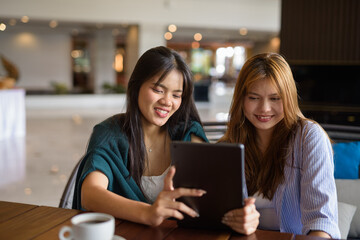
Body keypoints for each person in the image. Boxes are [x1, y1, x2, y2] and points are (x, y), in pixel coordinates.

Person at [73, 46, 208, 227]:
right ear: (136, 86)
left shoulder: (188, 134)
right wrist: (147, 213)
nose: (167, 101)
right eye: (158, 90)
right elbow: (90, 194)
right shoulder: (109, 133)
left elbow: (212, 195)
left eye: (176, 95)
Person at [219, 53, 340, 238]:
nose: (264, 109)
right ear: (241, 100)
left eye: (275, 98)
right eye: (254, 97)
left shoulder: (309, 137)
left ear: (289, 98)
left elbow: (322, 223)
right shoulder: (228, 146)